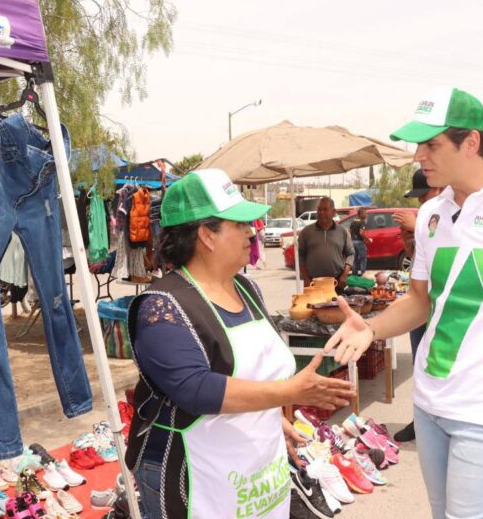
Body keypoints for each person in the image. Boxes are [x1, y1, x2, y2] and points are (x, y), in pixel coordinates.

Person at [325, 86, 483, 519]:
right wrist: (371, 328)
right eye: (417, 145)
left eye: (431, 145)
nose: (418, 157)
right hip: (429, 405)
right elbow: (420, 301)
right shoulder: (432, 213)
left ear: (471, 143)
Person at [123, 169, 354, 519]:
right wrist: (291, 392)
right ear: (207, 236)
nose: (251, 232)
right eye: (239, 224)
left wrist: (274, 418)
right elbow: (195, 389)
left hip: (256, 470)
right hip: (196, 477)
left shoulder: (247, 289)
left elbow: (253, 371)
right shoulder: (162, 307)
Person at [391, 168, 443, 443]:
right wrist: (410, 241)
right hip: (419, 305)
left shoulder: (447, 216)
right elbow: (419, 261)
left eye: (426, 196)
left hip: (442, 311)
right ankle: (421, 421)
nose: (422, 203)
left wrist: (418, 226)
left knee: (440, 367)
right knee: (420, 367)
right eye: (419, 199)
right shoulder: (426, 217)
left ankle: (438, 424)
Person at [298, 197, 354, 291]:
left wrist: (344, 275)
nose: (321, 213)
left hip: (336, 283)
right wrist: (306, 278)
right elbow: (300, 256)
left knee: (336, 306)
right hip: (313, 283)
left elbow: (351, 254)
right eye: (319, 209)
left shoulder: (342, 232)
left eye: (325, 209)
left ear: (334, 211)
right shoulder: (306, 232)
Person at [349, 207, 372, 276]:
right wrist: (368, 240)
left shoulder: (353, 221)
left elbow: (349, 231)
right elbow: (361, 232)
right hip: (360, 243)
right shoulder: (362, 222)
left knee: (355, 259)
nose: (366, 215)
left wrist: (352, 239)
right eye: (365, 213)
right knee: (363, 259)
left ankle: (354, 275)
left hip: (353, 242)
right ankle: (363, 274)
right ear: (361, 214)